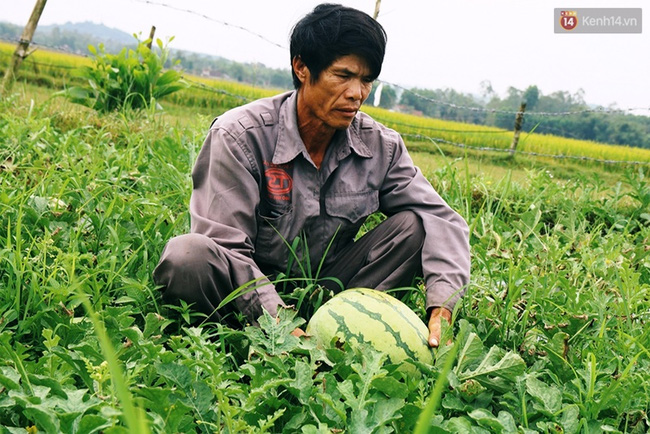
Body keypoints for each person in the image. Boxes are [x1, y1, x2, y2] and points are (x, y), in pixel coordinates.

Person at [153, 3, 470, 348]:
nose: (356, 94)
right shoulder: (240, 135)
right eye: (343, 75)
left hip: (330, 290)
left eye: (366, 80)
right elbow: (227, 247)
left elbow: (442, 219)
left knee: (415, 225)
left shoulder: (381, 146)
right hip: (244, 294)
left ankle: (342, 338)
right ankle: (234, 343)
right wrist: (280, 323)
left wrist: (442, 305)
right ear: (302, 67)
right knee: (188, 256)